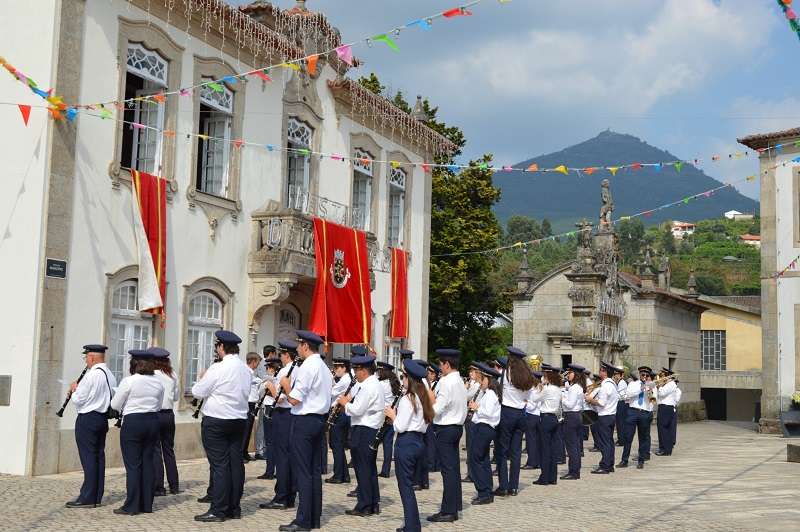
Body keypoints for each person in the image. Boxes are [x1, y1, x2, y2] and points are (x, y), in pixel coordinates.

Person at [192, 330, 251, 522]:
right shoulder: (244, 369)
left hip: (217, 420)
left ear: (221, 347)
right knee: (235, 464)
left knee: (219, 466)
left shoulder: (218, 368)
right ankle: (234, 508)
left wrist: (202, 377)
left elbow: (198, 391)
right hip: (239, 420)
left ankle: (218, 509)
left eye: (217, 347)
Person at [278, 331, 333, 532]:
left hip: (304, 421)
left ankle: (303, 520)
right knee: (313, 472)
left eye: (299, 345)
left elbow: (294, 399)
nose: (297, 349)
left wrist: (286, 386)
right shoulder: (324, 367)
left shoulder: (308, 367)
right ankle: (313, 518)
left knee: (303, 472)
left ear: (305, 346)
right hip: (319, 420)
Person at [110, 349, 164, 515]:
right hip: (152, 421)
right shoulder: (158, 382)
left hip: (133, 423)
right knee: (148, 463)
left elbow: (115, 405)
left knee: (133, 465)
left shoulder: (129, 381)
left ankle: (132, 505)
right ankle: (146, 504)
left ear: (134, 364)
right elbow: (160, 405)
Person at [66, 344, 117, 509]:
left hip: (88, 418)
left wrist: (74, 390)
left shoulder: (91, 375)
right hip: (102, 419)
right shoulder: (110, 374)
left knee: (88, 458)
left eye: (86, 357)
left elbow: (79, 399)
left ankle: (87, 496)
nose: (85, 360)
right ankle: (96, 495)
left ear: (92, 357)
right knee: (98, 457)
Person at [384, 359, 432, 532]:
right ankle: (412, 523)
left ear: (409, 379)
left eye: (403, 376)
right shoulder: (423, 397)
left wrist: (392, 414)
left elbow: (400, 426)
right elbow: (426, 423)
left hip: (406, 443)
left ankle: (412, 526)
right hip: (419, 441)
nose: (402, 379)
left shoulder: (407, 399)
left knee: (405, 487)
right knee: (408, 486)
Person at [338, 354, 384, 517]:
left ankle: (364, 504)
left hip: (364, 430)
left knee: (362, 468)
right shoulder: (374, 384)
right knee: (369, 468)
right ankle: (373, 502)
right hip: (370, 429)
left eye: (356, 370)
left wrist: (345, 403)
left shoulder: (368, 386)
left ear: (364, 370)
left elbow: (357, 410)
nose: (355, 374)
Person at [426, 348, 468, 523]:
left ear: (447, 364)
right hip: (456, 427)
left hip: (445, 428)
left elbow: (439, 407)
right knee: (453, 469)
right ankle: (454, 504)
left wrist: (426, 412)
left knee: (448, 471)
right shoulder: (458, 380)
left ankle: (449, 511)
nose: (439, 368)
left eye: (441, 364)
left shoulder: (445, 382)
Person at [260, 341, 299, 509]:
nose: (280, 358)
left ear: (286, 355)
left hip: (283, 414)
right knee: (289, 457)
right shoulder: (299, 369)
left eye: (281, 355)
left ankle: (281, 496)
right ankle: (289, 494)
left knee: (282, 456)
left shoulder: (285, 370)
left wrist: (270, 386)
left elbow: (281, 397)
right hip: (293, 415)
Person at [495, 346, 535, 497]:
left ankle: (503, 486)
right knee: (516, 452)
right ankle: (514, 487)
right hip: (521, 414)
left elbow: (500, 390)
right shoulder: (527, 375)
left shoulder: (506, 373)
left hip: (507, 412)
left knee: (502, 451)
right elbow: (529, 397)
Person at [468, 362, 501, 505]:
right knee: (483, 460)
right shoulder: (488, 393)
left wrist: (476, 408)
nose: (480, 383)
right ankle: (486, 491)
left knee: (476, 460)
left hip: (485, 428)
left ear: (488, 380)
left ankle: (484, 491)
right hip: (482, 427)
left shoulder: (492, 394)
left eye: (482, 380)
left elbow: (487, 413)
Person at [151, 347, 180, 496]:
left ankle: (158, 486)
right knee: (169, 450)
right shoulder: (172, 374)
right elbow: (175, 397)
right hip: (169, 415)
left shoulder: (151, 374)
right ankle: (174, 485)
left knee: (156, 451)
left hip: (155, 414)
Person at [584, 362, 619, 474]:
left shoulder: (605, 385)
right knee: (609, 441)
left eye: (601, 370)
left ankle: (605, 465)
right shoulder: (612, 384)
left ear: (604, 372)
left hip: (604, 416)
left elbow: (602, 403)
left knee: (605, 442)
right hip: (611, 415)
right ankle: (610, 464)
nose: (599, 372)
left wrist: (590, 400)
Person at [618, 366, 655, 469]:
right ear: (639, 375)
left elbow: (653, 401)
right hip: (632, 411)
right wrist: (641, 389)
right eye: (643, 375)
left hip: (644, 413)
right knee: (628, 437)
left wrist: (649, 390)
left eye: (647, 375)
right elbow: (628, 395)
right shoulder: (633, 384)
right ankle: (624, 460)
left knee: (643, 438)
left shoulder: (652, 385)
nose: (645, 377)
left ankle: (641, 460)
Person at [530, 369, 562, 485]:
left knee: (544, 449)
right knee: (552, 449)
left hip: (546, 418)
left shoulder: (547, 389)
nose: (543, 378)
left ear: (548, 378)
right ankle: (552, 477)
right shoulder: (558, 389)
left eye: (544, 376)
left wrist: (539, 387)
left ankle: (544, 477)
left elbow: (534, 398)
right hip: (554, 418)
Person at [326, 357, 353, 484]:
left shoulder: (345, 380)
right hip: (341, 413)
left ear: (344, 368)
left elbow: (330, 392)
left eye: (337, 368)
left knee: (336, 444)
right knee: (338, 445)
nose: (335, 370)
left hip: (339, 413)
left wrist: (330, 379)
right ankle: (344, 474)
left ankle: (338, 475)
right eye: (335, 367)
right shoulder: (345, 379)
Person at [258, 355, 281, 480]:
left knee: (275, 442)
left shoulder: (279, 379)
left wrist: (271, 388)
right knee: (269, 442)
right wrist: (264, 386)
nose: (268, 370)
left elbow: (279, 398)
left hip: (275, 410)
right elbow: (259, 394)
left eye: (269, 368)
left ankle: (274, 470)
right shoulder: (267, 380)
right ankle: (270, 470)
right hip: (267, 408)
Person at [560, 364, 586, 480]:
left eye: (570, 373)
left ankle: (573, 472)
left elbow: (570, 404)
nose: (568, 375)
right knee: (575, 445)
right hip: (577, 416)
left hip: (571, 416)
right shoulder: (578, 387)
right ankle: (575, 470)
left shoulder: (574, 388)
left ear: (575, 374)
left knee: (571, 446)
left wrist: (562, 397)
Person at [377, 361, 402, 478]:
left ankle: (378, 469)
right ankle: (386, 470)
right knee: (388, 444)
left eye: (379, 371)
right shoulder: (395, 383)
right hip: (392, 415)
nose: (378, 373)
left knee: (376, 443)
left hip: (382, 416)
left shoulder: (382, 384)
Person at [411, 359, 431, 491]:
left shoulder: (420, 383)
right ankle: (423, 480)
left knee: (418, 454)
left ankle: (418, 481)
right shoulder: (426, 382)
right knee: (423, 453)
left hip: (420, 422)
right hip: (424, 420)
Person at [255, 345, 277, 460]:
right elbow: (265, 381)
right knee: (262, 427)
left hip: (268, 399)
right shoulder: (264, 365)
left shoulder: (264, 363)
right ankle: (260, 450)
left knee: (264, 427)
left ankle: (264, 449)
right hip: (264, 400)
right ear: (271, 354)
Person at [462, 364, 482, 483]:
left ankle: (471, 474)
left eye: (473, 372)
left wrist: (465, 387)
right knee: (470, 445)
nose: (470, 374)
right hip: (472, 416)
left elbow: (465, 396)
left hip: (473, 416)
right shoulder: (475, 385)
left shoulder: (476, 386)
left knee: (471, 446)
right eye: (470, 372)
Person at [243, 352, 263, 462]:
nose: (258, 365)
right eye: (257, 363)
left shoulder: (251, 373)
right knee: (245, 429)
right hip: (247, 403)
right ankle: (241, 452)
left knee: (249, 429)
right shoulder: (246, 372)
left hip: (252, 404)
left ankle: (244, 451)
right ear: (253, 361)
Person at [656, 368, 679, 456]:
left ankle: (665, 449)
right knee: (664, 429)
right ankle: (666, 449)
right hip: (664, 407)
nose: (662, 378)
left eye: (663, 376)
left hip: (666, 408)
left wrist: (658, 385)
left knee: (663, 429)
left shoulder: (671, 384)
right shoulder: (667, 384)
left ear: (667, 376)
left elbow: (661, 393)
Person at [522, 370, 542, 470]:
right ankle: (536, 461)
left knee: (531, 441)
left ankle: (531, 462)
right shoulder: (539, 388)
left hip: (532, 416)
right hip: (537, 417)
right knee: (535, 440)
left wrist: (525, 402)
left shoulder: (535, 390)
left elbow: (531, 406)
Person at [424, 363, 441, 475]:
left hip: (434, 414)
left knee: (432, 441)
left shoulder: (438, 385)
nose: (428, 375)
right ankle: (433, 463)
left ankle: (433, 464)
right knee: (431, 441)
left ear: (435, 375)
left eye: (430, 373)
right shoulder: (429, 384)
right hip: (429, 413)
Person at [613, 366, 628, 446]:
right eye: (615, 374)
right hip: (619, 403)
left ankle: (622, 440)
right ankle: (620, 439)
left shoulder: (622, 383)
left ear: (620, 375)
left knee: (621, 422)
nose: (615, 375)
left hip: (621, 404)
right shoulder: (618, 382)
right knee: (619, 422)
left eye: (616, 374)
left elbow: (620, 395)